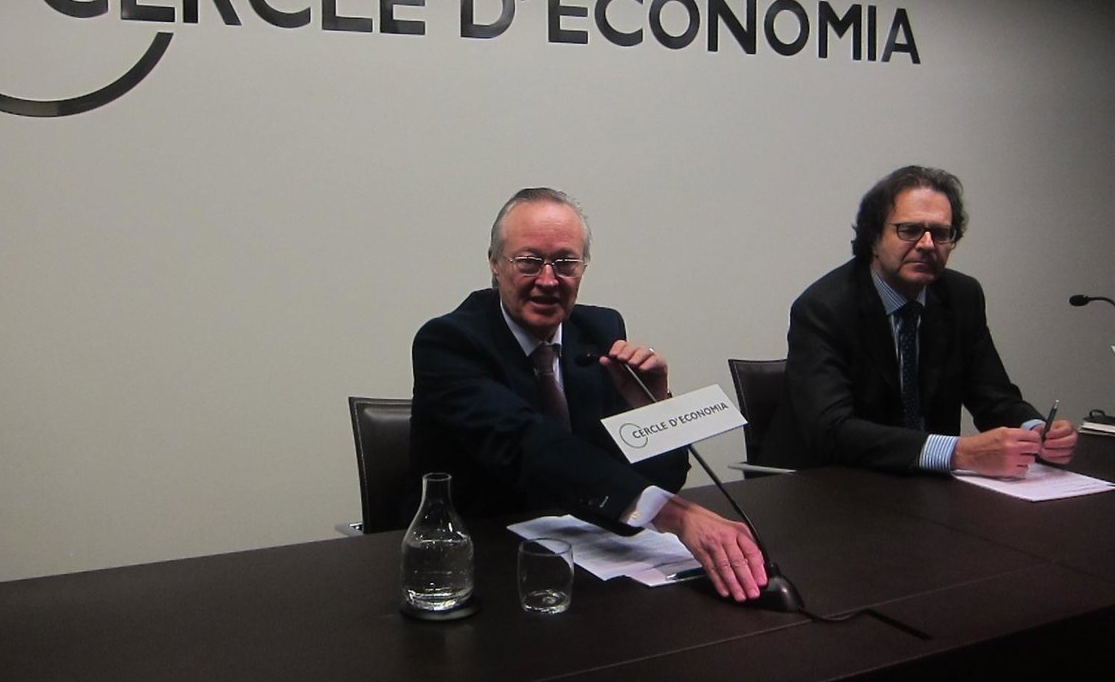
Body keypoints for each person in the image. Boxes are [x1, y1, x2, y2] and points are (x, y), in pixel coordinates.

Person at [409, 187, 767, 601]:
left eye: (565, 263)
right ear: (495, 263)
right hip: (475, 564)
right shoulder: (449, 341)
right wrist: (675, 515)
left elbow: (661, 479)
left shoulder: (600, 331)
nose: (548, 280)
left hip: (587, 563)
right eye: (529, 262)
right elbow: (526, 443)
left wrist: (651, 406)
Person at [760, 165, 1077, 476]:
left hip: (923, 485)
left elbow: (993, 398)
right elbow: (833, 431)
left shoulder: (962, 297)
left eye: (941, 234)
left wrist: (1036, 431)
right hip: (826, 484)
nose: (927, 245)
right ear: (874, 237)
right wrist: (959, 453)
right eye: (909, 230)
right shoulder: (823, 308)